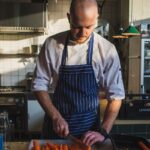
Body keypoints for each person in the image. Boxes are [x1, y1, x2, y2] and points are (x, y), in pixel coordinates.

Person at [32, 0, 125, 146]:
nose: (83, 33)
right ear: (69, 18)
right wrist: (56, 117)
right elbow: (38, 85)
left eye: (89, 26)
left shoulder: (107, 50)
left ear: (97, 18)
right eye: (76, 27)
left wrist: (104, 131)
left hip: (90, 134)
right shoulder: (52, 44)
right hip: (56, 131)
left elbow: (116, 96)